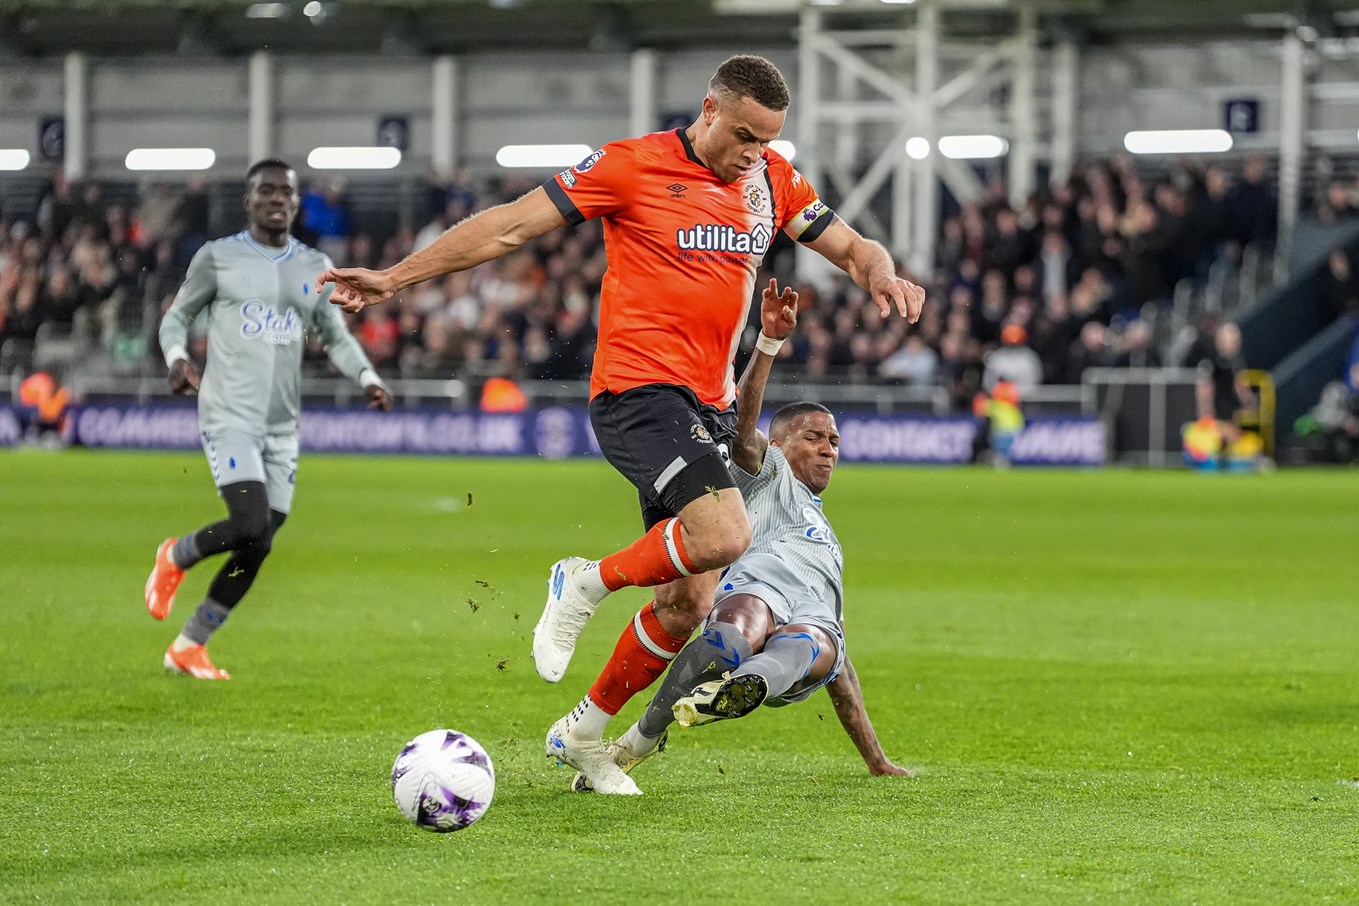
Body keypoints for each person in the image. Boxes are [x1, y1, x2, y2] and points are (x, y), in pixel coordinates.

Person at [319, 55, 925, 794]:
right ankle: (583, 581)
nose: (751, 154)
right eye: (742, 136)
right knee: (727, 534)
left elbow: (853, 247)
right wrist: (393, 279)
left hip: (705, 405)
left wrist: (881, 273)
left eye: (766, 141)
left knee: (689, 603)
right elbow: (508, 228)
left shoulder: (770, 181)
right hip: (637, 391)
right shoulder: (629, 166)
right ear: (708, 110)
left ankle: (582, 733)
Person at [573, 281, 910, 791]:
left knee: (818, 644)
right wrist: (769, 344)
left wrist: (876, 758)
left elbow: (843, 676)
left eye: (834, 441)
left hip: (816, 620)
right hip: (761, 592)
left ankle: (742, 687)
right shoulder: (765, 473)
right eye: (814, 437)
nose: (828, 449)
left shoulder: (829, 541)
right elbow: (740, 429)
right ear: (779, 444)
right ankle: (640, 741)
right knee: (738, 630)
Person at [144, 158, 392, 680]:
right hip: (229, 411)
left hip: (283, 424)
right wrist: (177, 358)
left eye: (286, 191)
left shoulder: (314, 265)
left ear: (297, 204)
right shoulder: (218, 257)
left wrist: (367, 377)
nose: (277, 198)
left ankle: (190, 645)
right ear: (248, 200)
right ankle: (177, 554)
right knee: (249, 522)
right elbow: (177, 317)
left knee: (260, 540)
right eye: (266, 190)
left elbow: (334, 334)